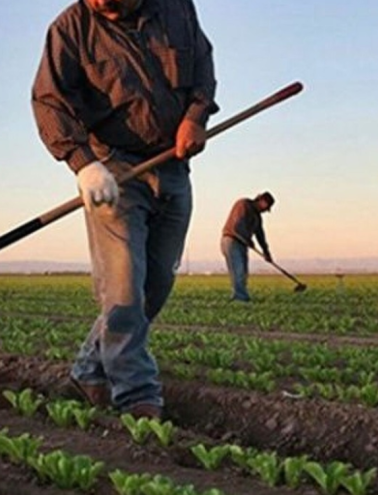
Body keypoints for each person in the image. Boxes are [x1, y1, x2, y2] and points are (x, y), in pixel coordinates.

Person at [32, 0, 217, 418]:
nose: (100, 4)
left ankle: (87, 371)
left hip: (171, 165)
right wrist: (84, 165)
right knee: (124, 288)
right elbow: (48, 101)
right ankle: (136, 395)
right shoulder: (71, 28)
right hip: (112, 168)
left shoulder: (177, 9)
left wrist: (195, 116)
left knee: (154, 288)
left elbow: (202, 69)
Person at [220, 192, 275, 302]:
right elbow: (238, 225)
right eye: (266, 207)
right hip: (231, 240)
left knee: (243, 271)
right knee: (238, 270)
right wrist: (248, 240)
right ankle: (240, 297)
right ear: (261, 201)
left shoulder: (257, 217)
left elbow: (260, 235)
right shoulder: (243, 204)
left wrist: (266, 252)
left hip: (242, 243)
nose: (265, 210)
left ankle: (241, 295)